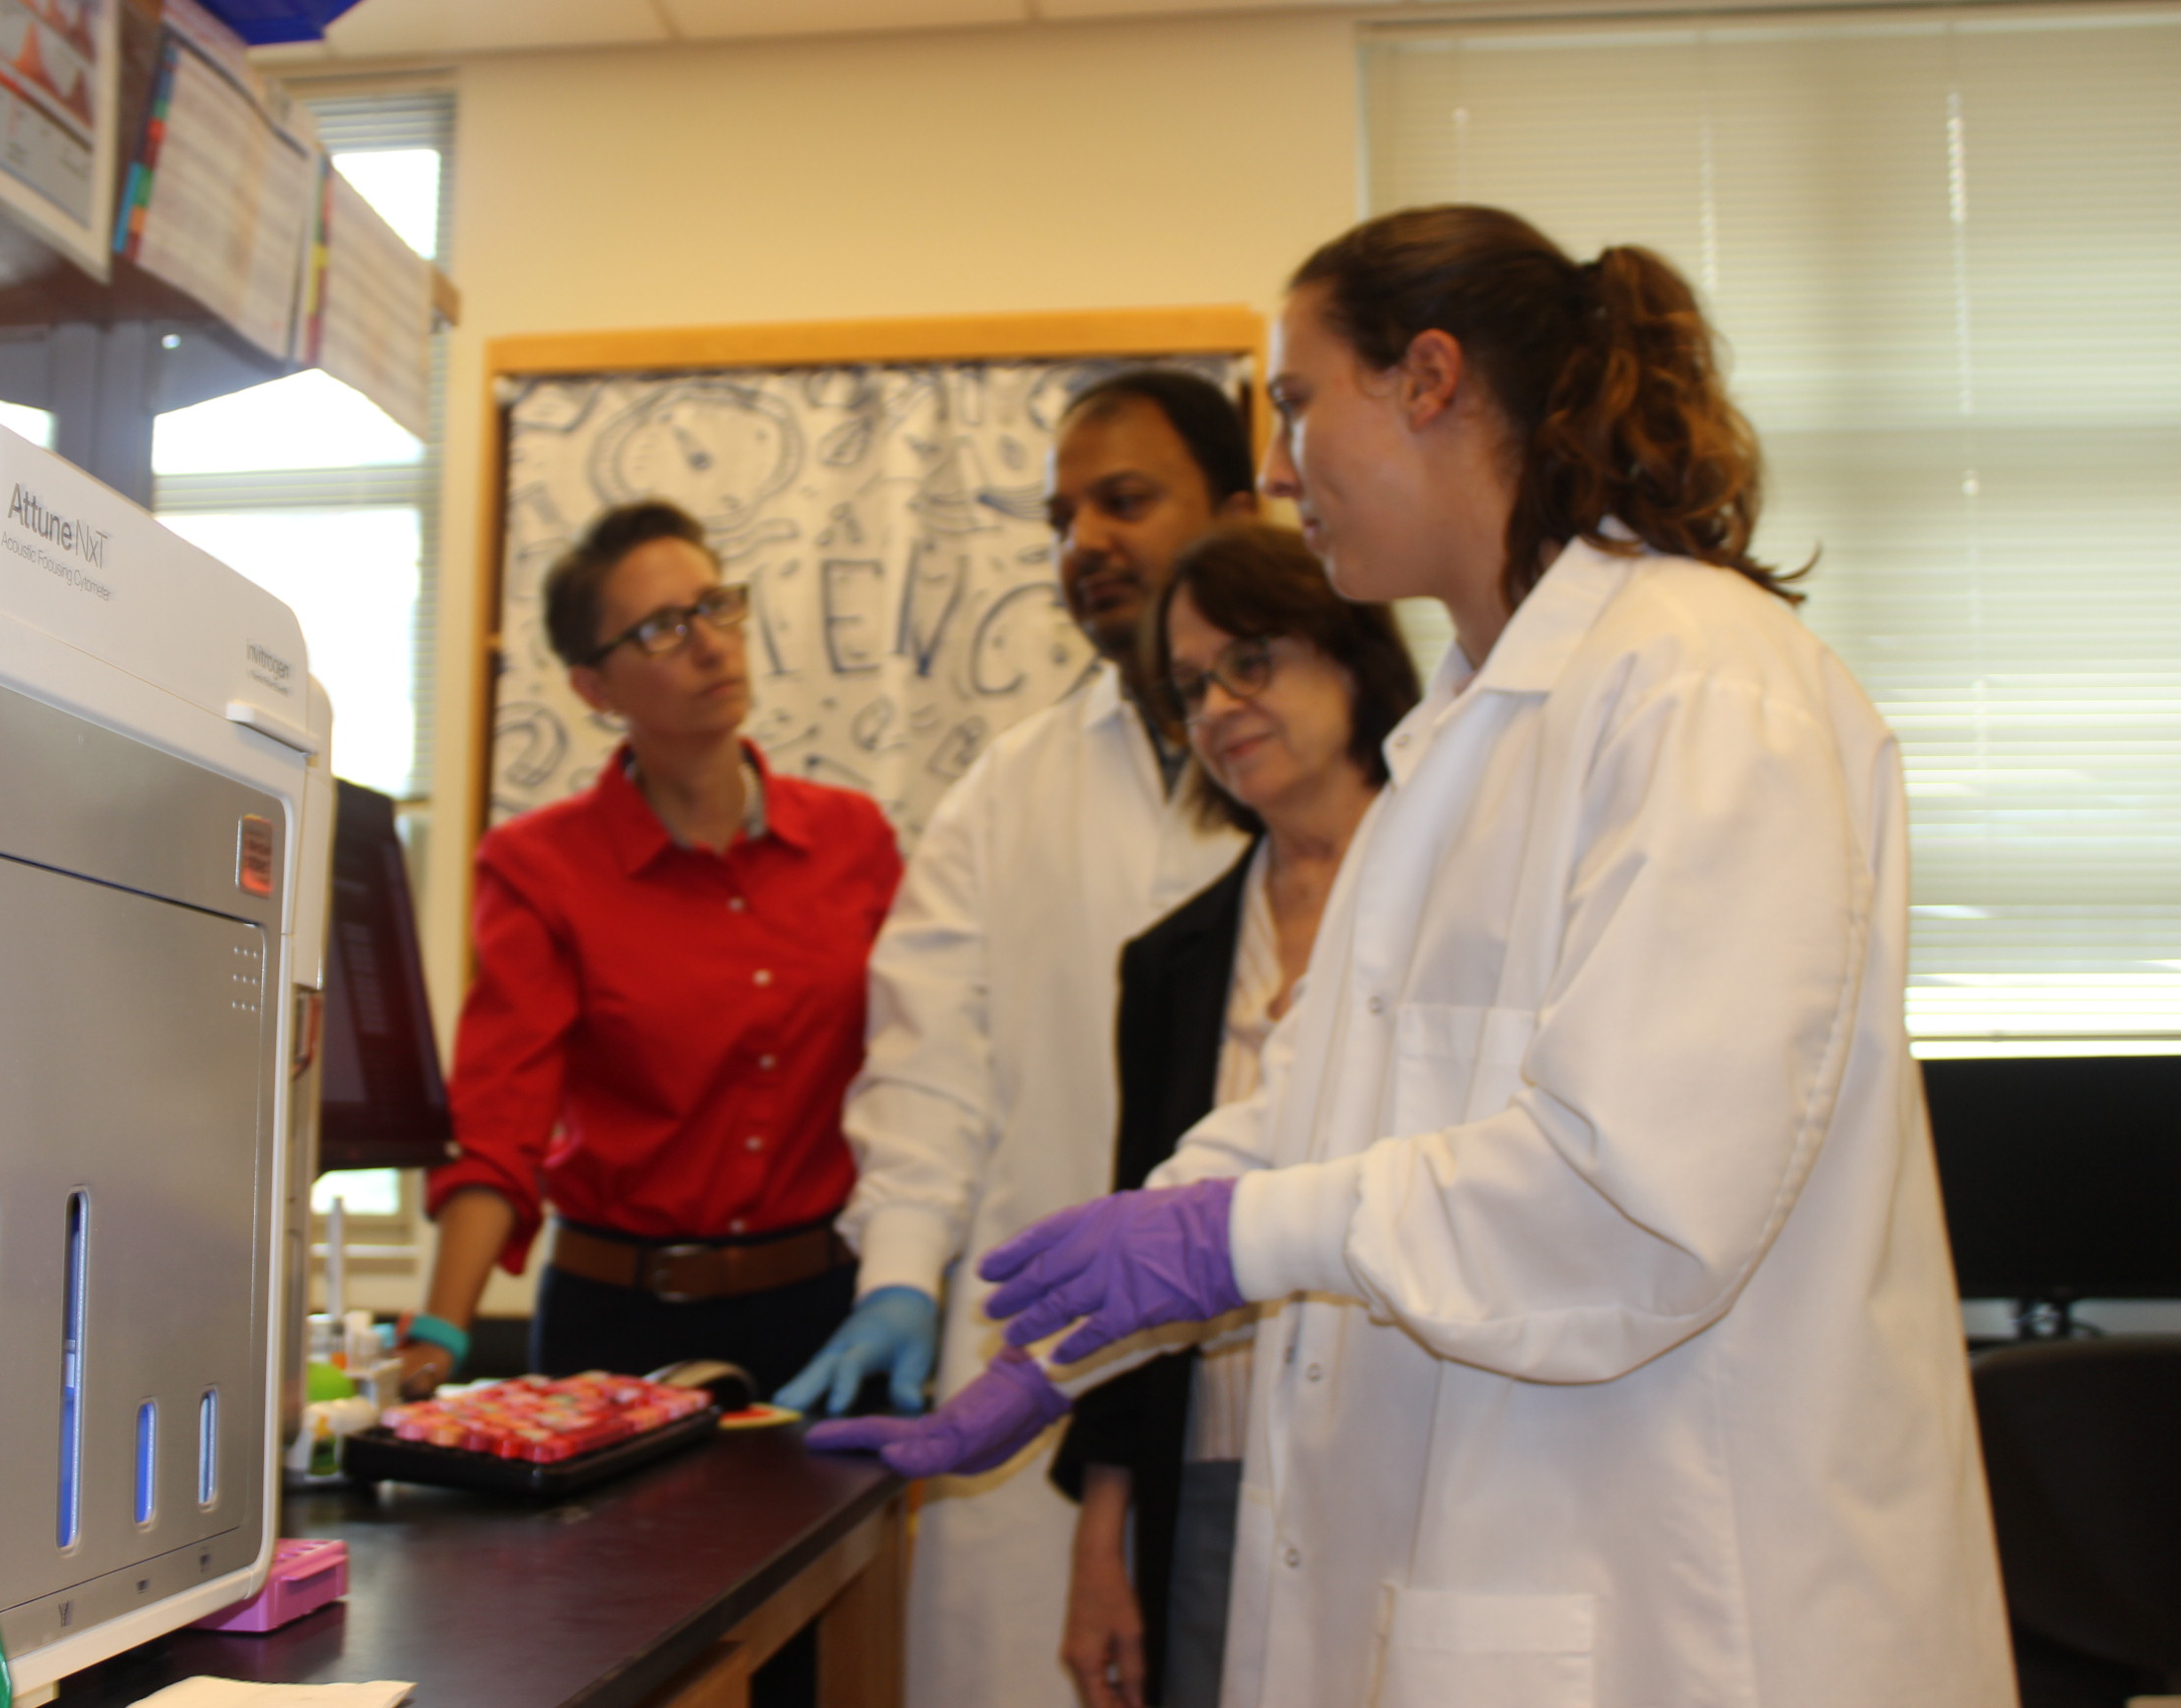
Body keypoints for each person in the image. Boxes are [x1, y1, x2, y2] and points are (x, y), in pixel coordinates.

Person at [817, 206, 2017, 1708]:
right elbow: (1313, 1113)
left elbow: (1636, 1197)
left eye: (1301, 403)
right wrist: (1058, 1345)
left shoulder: (1705, 690)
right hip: (1490, 1576)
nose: (1270, 470)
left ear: (1430, 378)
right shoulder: (1455, 745)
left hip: (1695, 1606)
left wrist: (1223, 1245)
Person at [777, 370, 1259, 1708]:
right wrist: (902, 1273)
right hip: (1034, 1373)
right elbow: (932, 1068)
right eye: (1061, 516)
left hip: (1266, 1375)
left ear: (1239, 509)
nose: (1084, 542)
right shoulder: (1010, 786)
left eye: (1125, 500)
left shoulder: (1340, 764)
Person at [394, 499, 903, 1405]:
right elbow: (498, 1121)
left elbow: (917, 1074)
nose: (712, 644)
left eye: (717, 606)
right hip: (619, 1324)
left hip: (826, 1310)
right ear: (596, 689)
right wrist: (438, 1335)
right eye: (664, 629)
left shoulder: (853, 841)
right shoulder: (539, 868)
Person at [1051, 523, 1420, 1708]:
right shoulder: (1171, 963)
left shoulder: (1468, 892)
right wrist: (1104, 1534)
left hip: (1430, 1456)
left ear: (1351, 652)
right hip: (1211, 1467)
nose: (1215, 707)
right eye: (1190, 685)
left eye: (1248, 661)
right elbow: (1145, 1237)